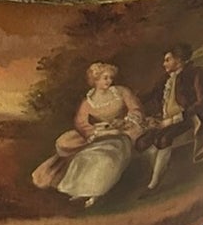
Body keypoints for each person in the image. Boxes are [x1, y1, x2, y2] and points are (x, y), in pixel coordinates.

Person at [32, 61, 145, 207]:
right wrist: (97, 131)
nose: (109, 81)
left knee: (106, 159)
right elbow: (81, 124)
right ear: (95, 80)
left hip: (121, 134)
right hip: (100, 135)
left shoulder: (121, 92)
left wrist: (125, 123)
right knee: (83, 157)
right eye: (105, 78)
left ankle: (96, 193)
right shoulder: (88, 102)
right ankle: (80, 190)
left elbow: (136, 110)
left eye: (110, 77)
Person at [140, 43, 203, 191]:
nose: (164, 64)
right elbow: (151, 95)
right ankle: (160, 172)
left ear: (178, 60)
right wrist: (132, 103)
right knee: (143, 142)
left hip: (189, 117)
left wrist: (174, 119)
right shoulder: (165, 78)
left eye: (167, 60)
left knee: (163, 139)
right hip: (166, 119)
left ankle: (153, 184)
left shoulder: (196, 73)